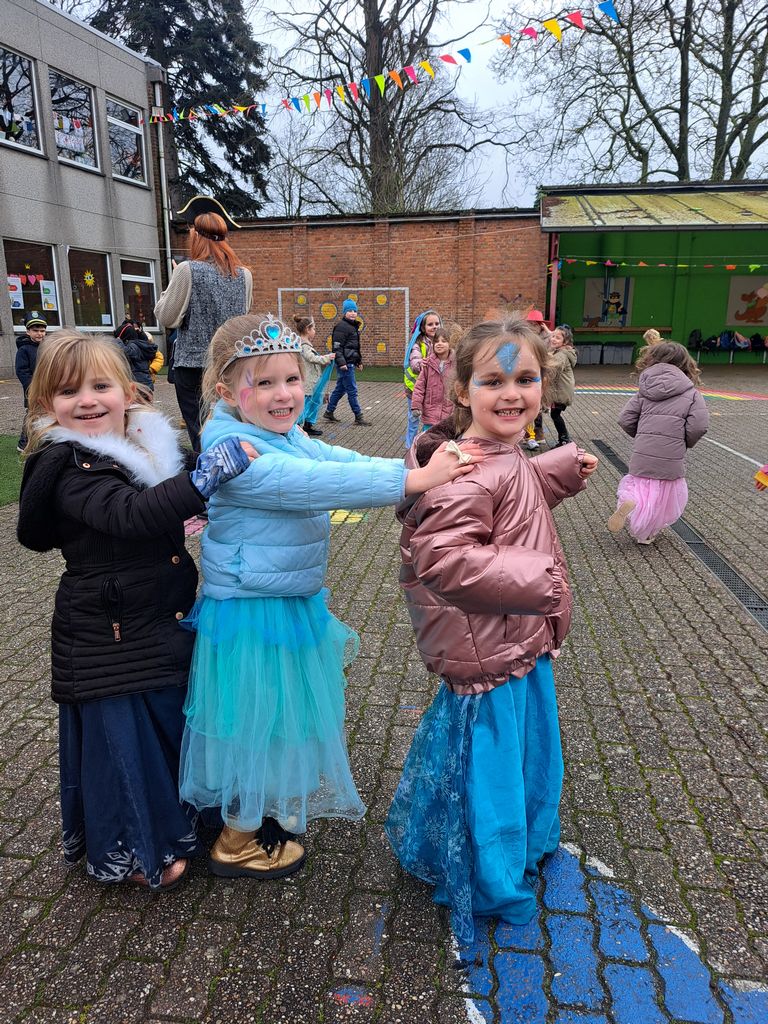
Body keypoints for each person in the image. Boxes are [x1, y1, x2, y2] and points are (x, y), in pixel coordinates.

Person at [179, 313, 483, 879]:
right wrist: (415, 481)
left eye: (292, 379)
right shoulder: (233, 450)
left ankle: (261, 812)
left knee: (279, 718)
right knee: (259, 723)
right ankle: (236, 841)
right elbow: (311, 483)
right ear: (225, 391)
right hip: (252, 609)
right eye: (264, 383)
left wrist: (412, 464)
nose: (283, 394)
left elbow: (338, 461)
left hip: (282, 599)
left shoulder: (282, 433)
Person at [384, 315, 598, 943]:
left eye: (526, 379)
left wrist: (558, 470)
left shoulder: (503, 455)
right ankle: (489, 874)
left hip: (515, 643)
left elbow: (515, 495)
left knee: (520, 755)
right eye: (493, 381)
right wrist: (540, 579)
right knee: (492, 771)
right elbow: (444, 559)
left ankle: (517, 845)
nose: (512, 394)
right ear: (461, 391)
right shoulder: (467, 472)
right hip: (490, 650)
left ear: (544, 386)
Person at [16, 331, 255, 890]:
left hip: (154, 619)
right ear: (47, 403)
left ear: (128, 392)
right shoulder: (68, 468)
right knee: (126, 745)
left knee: (168, 725)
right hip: (106, 635)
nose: (87, 401)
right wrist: (204, 478)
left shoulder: (145, 446)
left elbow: (176, 482)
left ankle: (182, 820)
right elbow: (132, 514)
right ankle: (135, 845)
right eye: (68, 392)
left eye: (100, 386)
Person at [155, 195, 253, 453]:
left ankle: (209, 473)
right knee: (232, 425)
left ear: (196, 236)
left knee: (199, 431)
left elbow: (166, 317)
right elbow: (242, 318)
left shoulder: (187, 270)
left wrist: (173, 284)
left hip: (192, 365)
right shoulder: (244, 275)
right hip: (229, 364)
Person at [608, 342, 709, 544]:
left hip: (643, 452)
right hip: (671, 455)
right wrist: (685, 441)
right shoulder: (691, 393)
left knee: (641, 485)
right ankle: (646, 534)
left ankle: (631, 501)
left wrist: (642, 435)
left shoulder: (645, 390)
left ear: (651, 359)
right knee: (663, 497)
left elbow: (625, 419)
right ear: (686, 364)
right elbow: (699, 426)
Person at [323, 299, 369, 426]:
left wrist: (358, 361)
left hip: (350, 362)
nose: (353, 313)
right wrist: (342, 363)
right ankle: (358, 416)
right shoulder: (341, 327)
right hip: (345, 364)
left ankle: (329, 411)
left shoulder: (353, 327)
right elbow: (337, 347)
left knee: (340, 389)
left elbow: (354, 347)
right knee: (352, 390)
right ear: (344, 312)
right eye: (349, 311)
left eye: (354, 310)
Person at [403, 310, 441, 448]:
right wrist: (420, 363)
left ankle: (429, 444)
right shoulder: (418, 344)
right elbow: (414, 361)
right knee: (414, 418)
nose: (434, 327)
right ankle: (410, 446)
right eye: (430, 324)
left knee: (432, 417)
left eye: (437, 323)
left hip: (431, 389)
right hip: (414, 389)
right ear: (423, 328)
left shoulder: (441, 342)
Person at [294, 314, 335, 437]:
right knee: (306, 404)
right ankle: (298, 426)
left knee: (313, 403)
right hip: (307, 382)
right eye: (314, 329)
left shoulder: (305, 345)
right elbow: (312, 358)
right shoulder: (303, 346)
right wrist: (327, 357)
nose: (314, 331)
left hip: (312, 381)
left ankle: (308, 425)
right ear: (307, 329)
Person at [410, 326, 455, 433]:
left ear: (450, 344)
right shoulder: (428, 364)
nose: (439, 344)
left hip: (449, 412)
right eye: (436, 341)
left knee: (446, 438)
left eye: (443, 341)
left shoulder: (456, 365)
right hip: (430, 412)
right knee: (429, 438)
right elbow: (419, 387)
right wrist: (416, 406)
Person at [15, 313, 46, 451]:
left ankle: (45, 439)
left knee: (48, 413)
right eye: (35, 330)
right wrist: (32, 387)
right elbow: (22, 371)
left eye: (42, 330)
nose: (39, 334)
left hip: (47, 387)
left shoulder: (46, 347)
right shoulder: (24, 349)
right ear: (28, 331)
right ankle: (23, 443)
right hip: (33, 389)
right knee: (32, 415)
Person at [523, 309, 550, 449]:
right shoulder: (525, 337)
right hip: (526, 373)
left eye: (535, 324)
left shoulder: (546, 339)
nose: (532, 327)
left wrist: (548, 332)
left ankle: (537, 434)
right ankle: (528, 435)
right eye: (530, 323)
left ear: (541, 325)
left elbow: (559, 340)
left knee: (538, 407)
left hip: (540, 374)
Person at [548, 324, 577, 447]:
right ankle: (564, 439)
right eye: (553, 336)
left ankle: (564, 439)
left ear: (565, 342)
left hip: (561, 392)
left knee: (555, 414)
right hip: (561, 390)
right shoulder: (560, 351)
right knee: (555, 414)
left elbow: (553, 369)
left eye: (558, 338)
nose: (553, 339)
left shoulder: (562, 355)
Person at [114, 316, 158, 396]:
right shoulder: (141, 344)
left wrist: (118, 342)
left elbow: (127, 353)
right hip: (143, 383)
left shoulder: (134, 345)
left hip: (140, 385)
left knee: (138, 403)